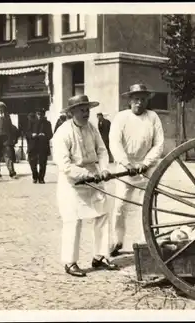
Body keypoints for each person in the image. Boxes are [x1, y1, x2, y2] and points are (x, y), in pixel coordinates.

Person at [53, 94, 119, 277]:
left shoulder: (92, 128)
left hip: (94, 178)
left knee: (103, 214)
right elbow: (64, 165)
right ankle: (70, 262)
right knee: (73, 220)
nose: (85, 113)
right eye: (81, 110)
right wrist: (85, 174)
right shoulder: (63, 133)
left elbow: (102, 150)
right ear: (72, 112)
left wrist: (104, 169)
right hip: (72, 182)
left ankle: (101, 256)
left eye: (87, 109)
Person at [109, 83, 164, 257]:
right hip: (126, 168)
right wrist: (127, 163)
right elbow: (115, 143)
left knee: (146, 207)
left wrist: (146, 163)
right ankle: (117, 241)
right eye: (135, 99)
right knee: (120, 206)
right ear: (130, 101)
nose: (139, 103)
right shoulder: (121, 118)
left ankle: (145, 242)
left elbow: (159, 144)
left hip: (146, 169)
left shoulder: (153, 117)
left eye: (142, 99)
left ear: (147, 100)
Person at [27, 108, 53, 184]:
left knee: (43, 163)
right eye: (38, 114)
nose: (39, 116)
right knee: (32, 162)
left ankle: (41, 178)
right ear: (36, 114)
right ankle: (35, 177)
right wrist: (32, 134)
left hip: (43, 145)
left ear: (44, 115)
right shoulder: (31, 122)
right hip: (33, 145)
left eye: (41, 114)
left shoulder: (47, 123)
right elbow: (27, 132)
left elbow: (50, 134)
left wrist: (44, 135)